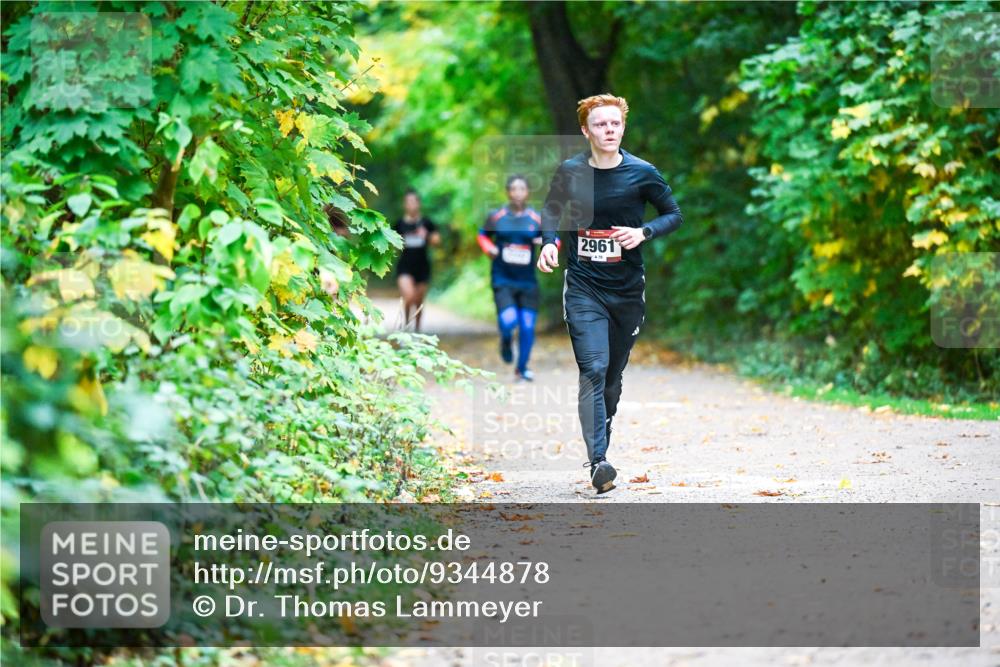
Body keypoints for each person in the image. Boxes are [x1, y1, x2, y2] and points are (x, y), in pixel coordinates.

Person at [537, 93, 684, 494]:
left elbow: (674, 214)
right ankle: (598, 462)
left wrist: (644, 232)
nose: (609, 130)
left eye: (615, 124)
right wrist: (549, 242)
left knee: (612, 378)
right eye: (601, 125)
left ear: (623, 127)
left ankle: (601, 432)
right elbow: (551, 210)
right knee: (594, 368)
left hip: (626, 289)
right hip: (584, 285)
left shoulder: (642, 172)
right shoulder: (570, 172)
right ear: (586, 131)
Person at [478, 175, 559, 381]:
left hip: (527, 281)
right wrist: (490, 248)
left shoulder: (536, 218)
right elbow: (482, 235)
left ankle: (521, 368)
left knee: (528, 326)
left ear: (527, 192)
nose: (517, 193)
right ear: (507, 192)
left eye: (521, 189)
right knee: (508, 321)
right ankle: (506, 340)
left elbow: (554, 239)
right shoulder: (497, 217)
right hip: (502, 278)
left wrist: (546, 246)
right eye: (513, 189)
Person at [393, 189, 440, 331]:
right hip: (405, 267)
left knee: (418, 301)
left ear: (418, 204)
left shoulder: (426, 222)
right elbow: (390, 244)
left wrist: (426, 235)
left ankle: (417, 331)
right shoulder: (399, 224)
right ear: (404, 204)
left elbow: (437, 241)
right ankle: (406, 327)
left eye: (414, 201)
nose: (411, 205)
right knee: (409, 297)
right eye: (408, 202)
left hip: (422, 267)